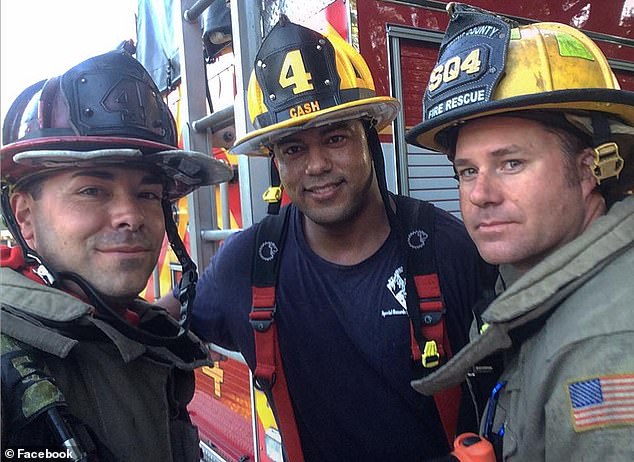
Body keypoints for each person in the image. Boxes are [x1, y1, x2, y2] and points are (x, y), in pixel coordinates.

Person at [158, 16, 497, 461]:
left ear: (369, 138)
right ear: (275, 161)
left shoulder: (445, 248)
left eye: (335, 137)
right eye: (294, 148)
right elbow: (148, 328)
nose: (316, 165)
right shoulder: (249, 264)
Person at [406, 3, 634, 461]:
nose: (480, 194)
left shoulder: (603, 348)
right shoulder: (530, 282)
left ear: (592, 168)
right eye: (466, 171)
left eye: (511, 163)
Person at [0, 48, 233, 461]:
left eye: (148, 194)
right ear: (26, 218)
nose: (131, 216)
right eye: (92, 190)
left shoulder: (136, 335)